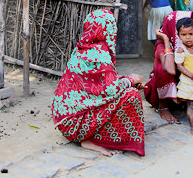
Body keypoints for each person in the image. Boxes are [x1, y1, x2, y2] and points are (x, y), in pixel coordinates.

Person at [51, 9, 146, 156]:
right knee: (131, 96)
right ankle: (93, 139)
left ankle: (91, 136)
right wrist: (131, 80)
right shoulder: (99, 55)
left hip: (66, 122)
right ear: (108, 30)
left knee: (127, 90)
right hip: (76, 126)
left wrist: (126, 80)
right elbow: (112, 90)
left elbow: (100, 85)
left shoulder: (82, 47)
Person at [144, 10, 193, 124]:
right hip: (160, 91)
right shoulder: (161, 45)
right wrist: (166, 39)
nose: (188, 37)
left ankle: (192, 104)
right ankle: (163, 107)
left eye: (191, 33)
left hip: (186, 86)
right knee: (162, 70)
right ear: (176, 31)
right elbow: (171, 70)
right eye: (183, 34)